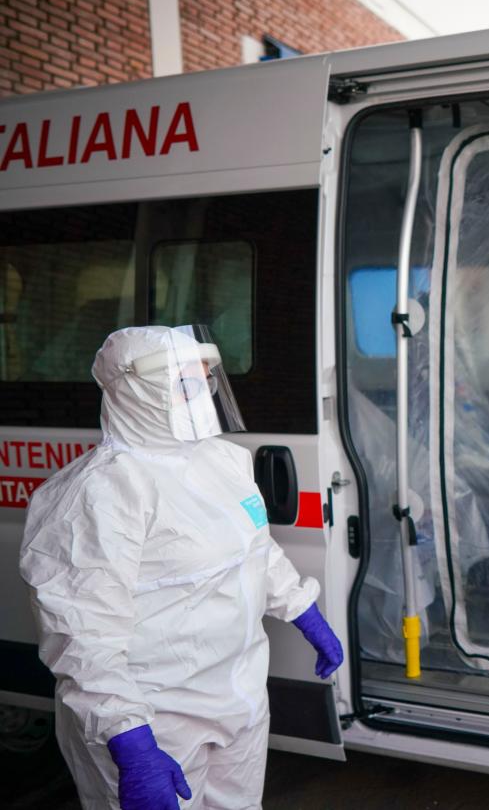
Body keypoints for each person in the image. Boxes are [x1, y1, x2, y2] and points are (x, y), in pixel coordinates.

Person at [20, 325, 344, 810]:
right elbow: (82, 634)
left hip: (239, 698)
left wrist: (302, 609)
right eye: (182, 381)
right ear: (135, 389)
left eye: (202, 379)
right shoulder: (99, 495)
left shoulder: (223, 461)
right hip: (154, 717)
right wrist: (130, 741)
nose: (199, 393)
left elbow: (256, 550)